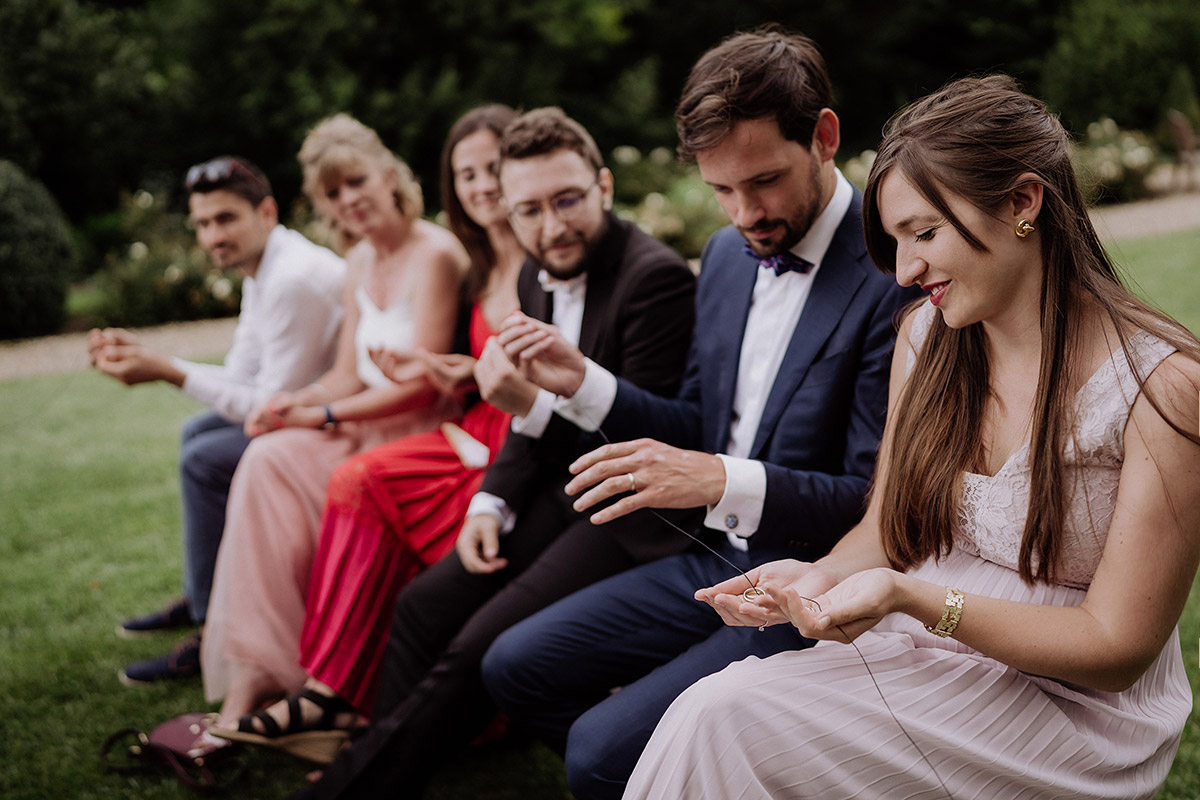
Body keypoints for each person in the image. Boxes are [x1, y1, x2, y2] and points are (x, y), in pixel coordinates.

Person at [624, 74, 1200, 800]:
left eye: (924, 233)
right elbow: (887, 531)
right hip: (930, 653)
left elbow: (1117, 649)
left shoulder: (1164, 389)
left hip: (1076, 710)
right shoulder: (926, 339)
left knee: (728, 721)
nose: (905, 270)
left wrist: (918, 601)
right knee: (715, 709)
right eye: (896, 241)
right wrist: (819, 576)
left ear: (1023, 203)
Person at [480, 28, 917, 799]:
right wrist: (581, 380)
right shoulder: (721, 258)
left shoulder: (897, 273)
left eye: (765, 181)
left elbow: (872, 500)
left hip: (815, 578)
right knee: (514, 666)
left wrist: (719, 479)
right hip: (707, 560)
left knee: (596, 752)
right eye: (721, 190)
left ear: (824, 136)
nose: (745, 213)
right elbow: (692, 424)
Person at [291, 106, 697, 798]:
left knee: (477, 646)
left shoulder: (653, 280)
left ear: (602, 186)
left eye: (567, 200)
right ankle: (394, 756)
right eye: (529, 210)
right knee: (423, 604)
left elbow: (655, 442)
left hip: (626, 513)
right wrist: (491, 501)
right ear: (508, 212)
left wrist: (530, 403)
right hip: (552, 491)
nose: (551, 225)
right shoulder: (538, 278)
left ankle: (356, 787)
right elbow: (529, 423)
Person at [206, 104, 525, 763]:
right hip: (366, 420)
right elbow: (348, 371)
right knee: (266, 458)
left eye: (356, 182)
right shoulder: (356, 262)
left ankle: (328, 686)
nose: (349, 200)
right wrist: (298, 402)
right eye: (332, 193)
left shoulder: (436, 252)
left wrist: (324, 417)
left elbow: (421, 384)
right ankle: (264, 672)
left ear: (388, 176)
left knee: (337, 477)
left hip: (422, 424)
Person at [89, 156, 345, 685]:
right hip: (304, 411)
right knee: (197, 432)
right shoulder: (264, 268)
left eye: (226, 219)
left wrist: (166, 371)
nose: (212, 236)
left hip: (342, 424)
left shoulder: (293, 277)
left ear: (267, 212)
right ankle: (207, 592)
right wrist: (157, 359)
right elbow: (240, 375)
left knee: (206, 459)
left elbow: (265, 405)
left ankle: (213, 628)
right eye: (203, 224)